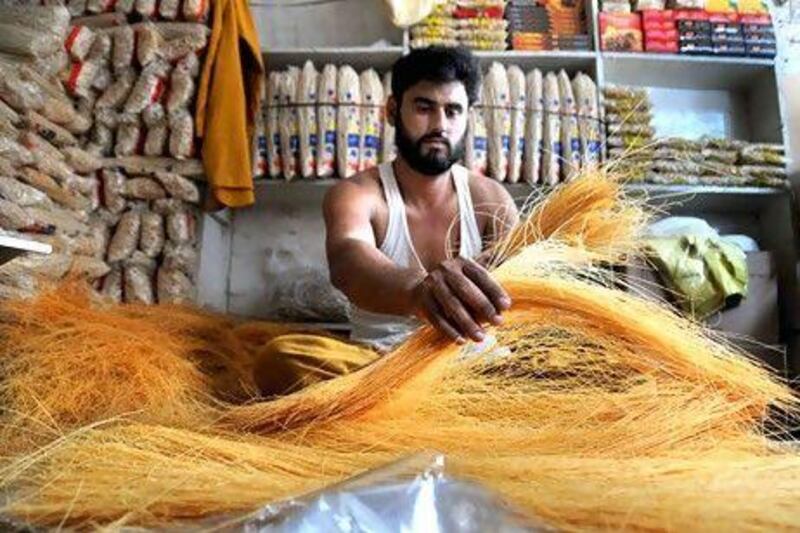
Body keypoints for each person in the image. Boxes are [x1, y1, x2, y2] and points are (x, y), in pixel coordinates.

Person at [253, 47, 519, 396]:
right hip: (378, 368)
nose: (440, 125)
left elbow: (516, 283)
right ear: (393, 111)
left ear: (469, 117)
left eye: (453, 111)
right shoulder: (358, 194)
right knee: (280, 360)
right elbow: (349, 261)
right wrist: (418, 294)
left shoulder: (490, 197)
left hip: (473, 369)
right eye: (424, 107)